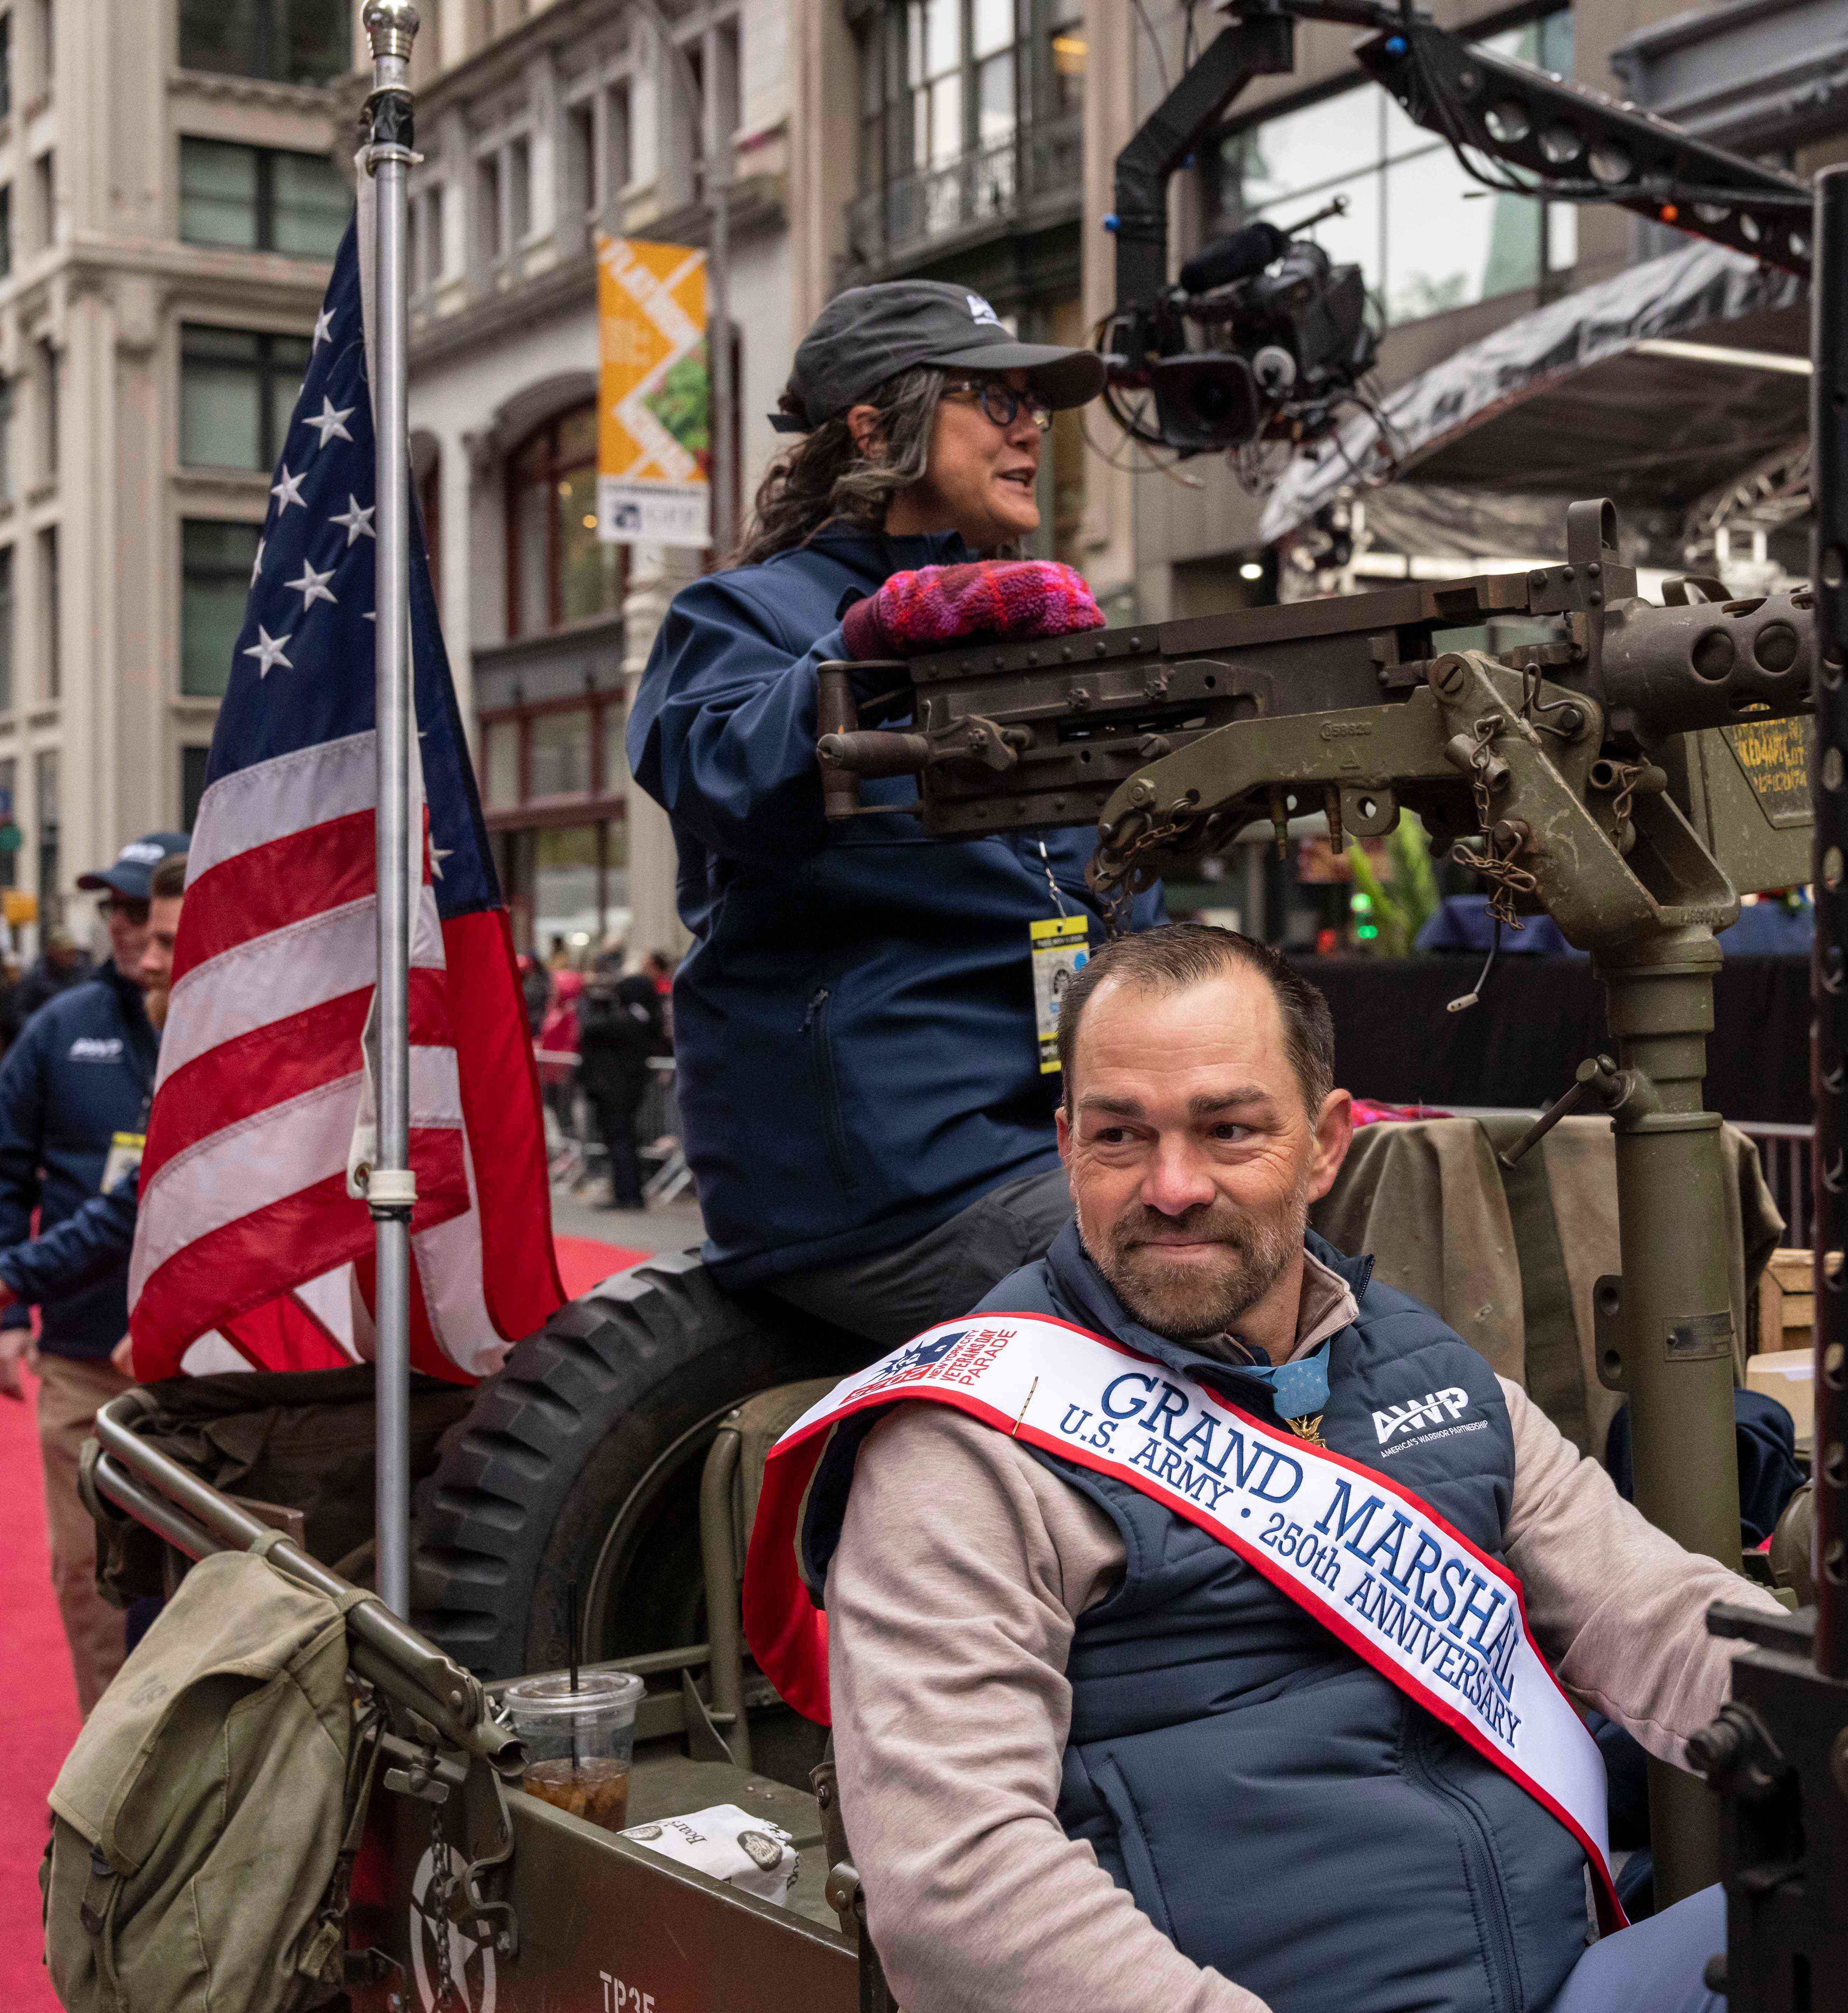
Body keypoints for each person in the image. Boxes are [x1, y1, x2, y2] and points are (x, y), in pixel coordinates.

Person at [811, 925, 1771, 2013]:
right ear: (1067, 1143)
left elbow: (1665, 1617)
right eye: (1121, 1137)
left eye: (1228, 1130)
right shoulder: (970, 1447)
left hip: (1566, 1983)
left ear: (1325, 1144)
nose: (1172, 1187)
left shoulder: (1442, 1380)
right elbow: (959, 1890)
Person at [630, 281, 1157, 1346]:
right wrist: (870, 644)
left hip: (1053, 1140)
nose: (1029, 428)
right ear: (875, 426)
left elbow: (1117, 891)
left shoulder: (1017, 614)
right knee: (1227, 1293)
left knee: (1381, 1200)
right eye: (993, 399)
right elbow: (715, 769)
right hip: (884, 1184)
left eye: (1035, 404)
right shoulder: (744, 614)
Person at [0, 832, 186, 1713]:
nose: (128, 927)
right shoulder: (58, 1029)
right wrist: (11, 1309)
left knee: (201, 1580)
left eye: (143, 910)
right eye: (115, 908)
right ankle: (113, 1789)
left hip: (203, 1363)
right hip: (81, 1351)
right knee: (88, 1573)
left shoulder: (224, 1026)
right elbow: (7, 1171)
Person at [575, 949, 669, 1210]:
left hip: (617, 1091)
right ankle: (627, 1193)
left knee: (621, 1141)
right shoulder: (642, 1020)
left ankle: (627, 1195)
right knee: (622, 1141)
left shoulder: (632, 1022)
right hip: (622, 1090)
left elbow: (592, 1031)